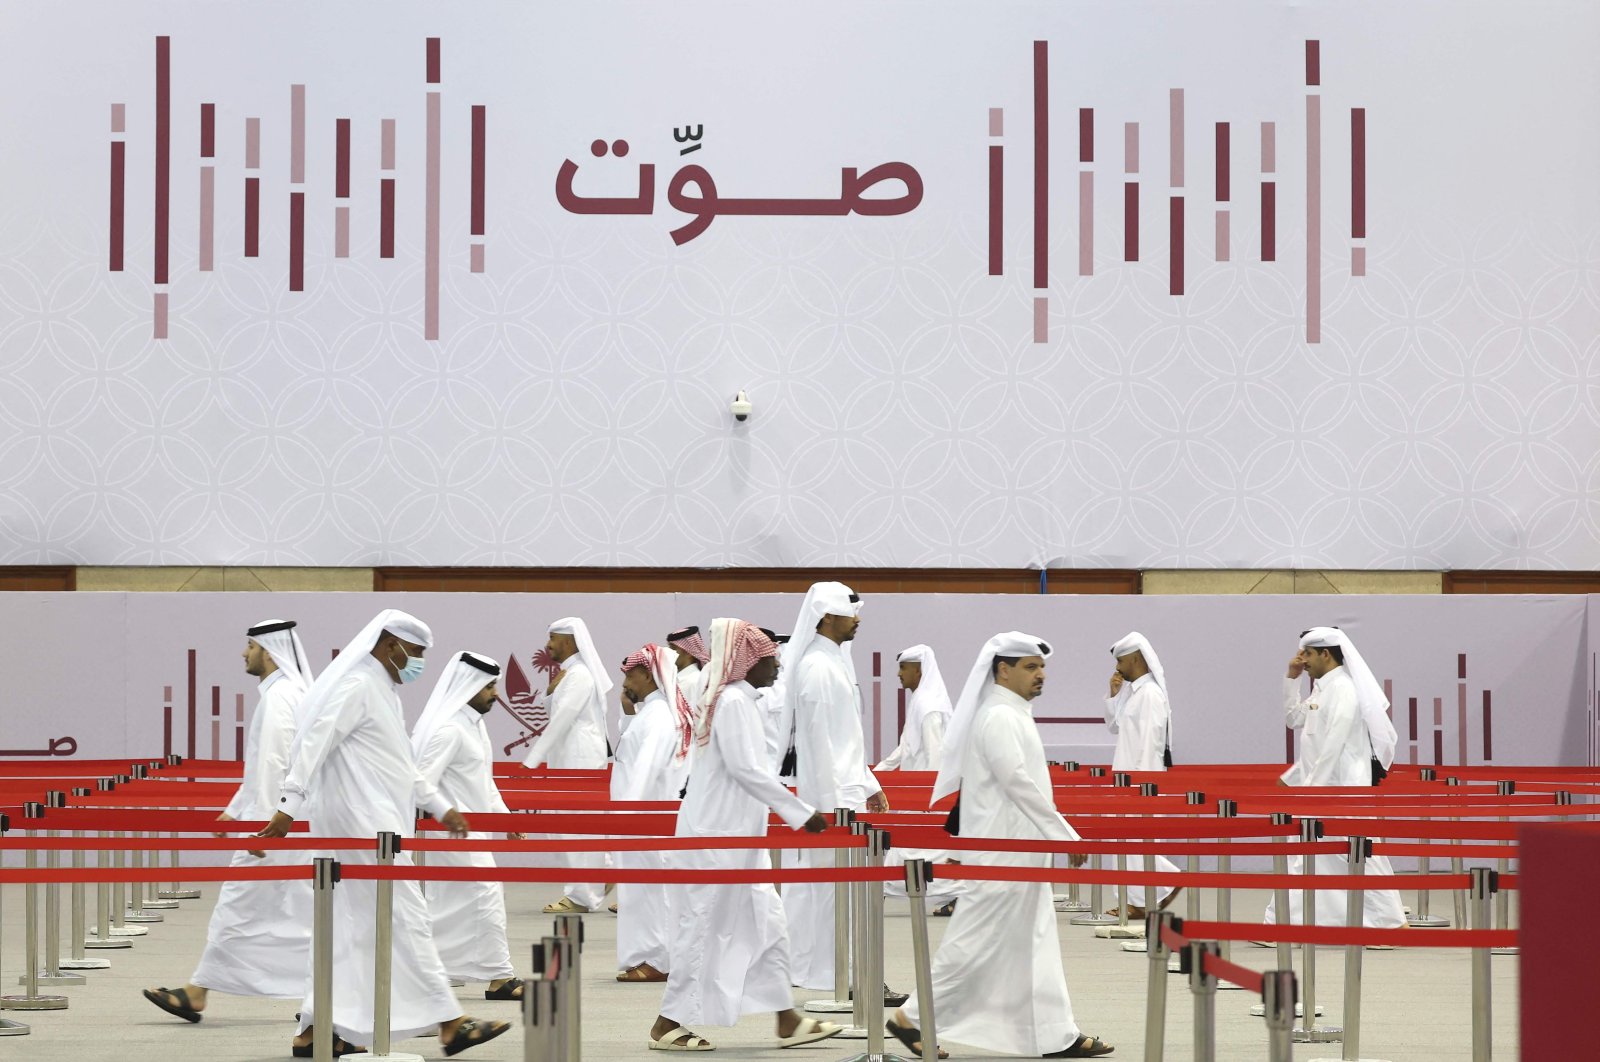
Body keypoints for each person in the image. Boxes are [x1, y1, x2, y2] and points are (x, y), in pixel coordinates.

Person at [258, 608, 509, 1058]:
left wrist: (442, 808)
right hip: (362, 826)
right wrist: (287, 807)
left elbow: (404, 768)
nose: (418, 663)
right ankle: (451, 1024)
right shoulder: (357, 686)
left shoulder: (382, 691)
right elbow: (313, 741)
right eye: (414, 652)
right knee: (403, 917)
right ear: (390, 645)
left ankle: (315, 1032)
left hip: (380, 824)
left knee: (353, 929)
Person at [891, 632, 1114, 1059]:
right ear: (1003, 670)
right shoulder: (997, 716)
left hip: (1021, 852)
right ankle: (909, 1018)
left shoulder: (1011, 712)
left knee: (1035, 940)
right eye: (1031, 667)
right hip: (1000, 854)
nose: (1041, 675)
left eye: (1042, 667)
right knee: (974, 941)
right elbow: (1016, 781)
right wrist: (1064, 834)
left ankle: (1055, 1033)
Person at [648, 619, 842, 1052]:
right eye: (769, 658)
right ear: (746, 662)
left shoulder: (743, 700)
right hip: (714, 840)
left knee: (768, 923)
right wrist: (799, 812)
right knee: (700, 930)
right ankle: (667, 1024)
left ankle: (787, 1019)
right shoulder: (733, 700)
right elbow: (745, 769)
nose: (776, 666)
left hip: (741, 840)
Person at [143, 619, 314, 1023]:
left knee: (242, 911)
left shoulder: (281, 697)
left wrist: (262, 827)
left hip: (273, 830)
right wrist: (236, 809)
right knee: (292, 914)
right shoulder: (286, 694)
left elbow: (275, 765)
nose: (244, 653)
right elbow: (260, 768)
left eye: (250, 646)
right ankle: (316, 996)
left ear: (269, 651)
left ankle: (197, 992)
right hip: (282, 824)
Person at [779, 582, 896, 999]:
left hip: (843, 795)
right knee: (832, 894)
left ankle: (844, 973)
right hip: (830, 802)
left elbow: (847, 740)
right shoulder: (818, 668)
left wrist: (869, 782)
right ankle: (840, 976)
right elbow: (821, 745)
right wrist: (831, 810)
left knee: (841, 893)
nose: (858, 620)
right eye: (851, 614)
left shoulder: (834, 663)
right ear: (826, 618)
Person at [1264, 626, 1406, 928]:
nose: (1304, 660)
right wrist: (1292, 679)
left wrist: (1310, 790)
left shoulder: (1343, 688)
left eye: (1309, 655)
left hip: (1339, 788)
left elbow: (1334, 743)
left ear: (1325, 654)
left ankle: (1390, 922)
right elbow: (1294, 720)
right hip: (1323, 786)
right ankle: (1388, 921)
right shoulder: (1323, 688)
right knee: (1330, 857)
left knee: (1359, 856)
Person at [411, 651, 525, 1001]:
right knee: (485, 893)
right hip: (450, 834)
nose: (495, 694)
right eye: (489, 687)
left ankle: (435, 972)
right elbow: (418, 783)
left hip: (473, 833)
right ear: (469, 686)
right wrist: (447, 814)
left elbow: (484, 782)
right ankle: (500, 977)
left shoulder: (474, 725)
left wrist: (505, 816)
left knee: (452, 905)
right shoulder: (449, 729)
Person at [612, 643, 694, 982]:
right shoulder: (653, 712)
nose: (626, 681)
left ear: (648, 674)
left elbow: (644, 771)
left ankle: (658, 961)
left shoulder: (660, 717)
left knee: (652, 893)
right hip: (641, 820)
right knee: (640, 893)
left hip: (646, 820)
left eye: (631, 674)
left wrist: (626, 820)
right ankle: (647, 956)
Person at [521, 617, 613, 914]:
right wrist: (550, 690)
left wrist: (531, 761)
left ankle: (581, 897)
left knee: (576, 827)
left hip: (580, 757)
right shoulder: (570, 674)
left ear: (569, 641)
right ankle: (606, 872)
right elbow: (555, 711)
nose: (547, 645)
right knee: (571, 826)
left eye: (553, 639)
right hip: (569, 757)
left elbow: (562, 720)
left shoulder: (581, 675)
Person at [874, 644, 959, 914]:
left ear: (918, 669)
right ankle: (880, 891)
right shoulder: (921, 701)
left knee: (920, 847)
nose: (899, 674)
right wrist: (877, 774)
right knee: (910, 848)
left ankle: (956, 893)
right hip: (919, 793)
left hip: (927, 795)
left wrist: (928, 796)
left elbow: (937, 755)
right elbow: (906, 747)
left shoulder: (930, 706)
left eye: (903, 668)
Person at [1102, 632, 1180, 918]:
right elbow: (1115, 727)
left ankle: (1167, 882)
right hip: (1128, 778)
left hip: (1140, 781)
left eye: (1121, 661)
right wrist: (1114, 695)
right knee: (1128, 841)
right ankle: (1139, 900)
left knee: (1137, 842)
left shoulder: (1149, 694)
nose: (1118, 668)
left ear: (1136, 658)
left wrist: (1142, 787)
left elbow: (1150, 743)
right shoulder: (1135, 693)